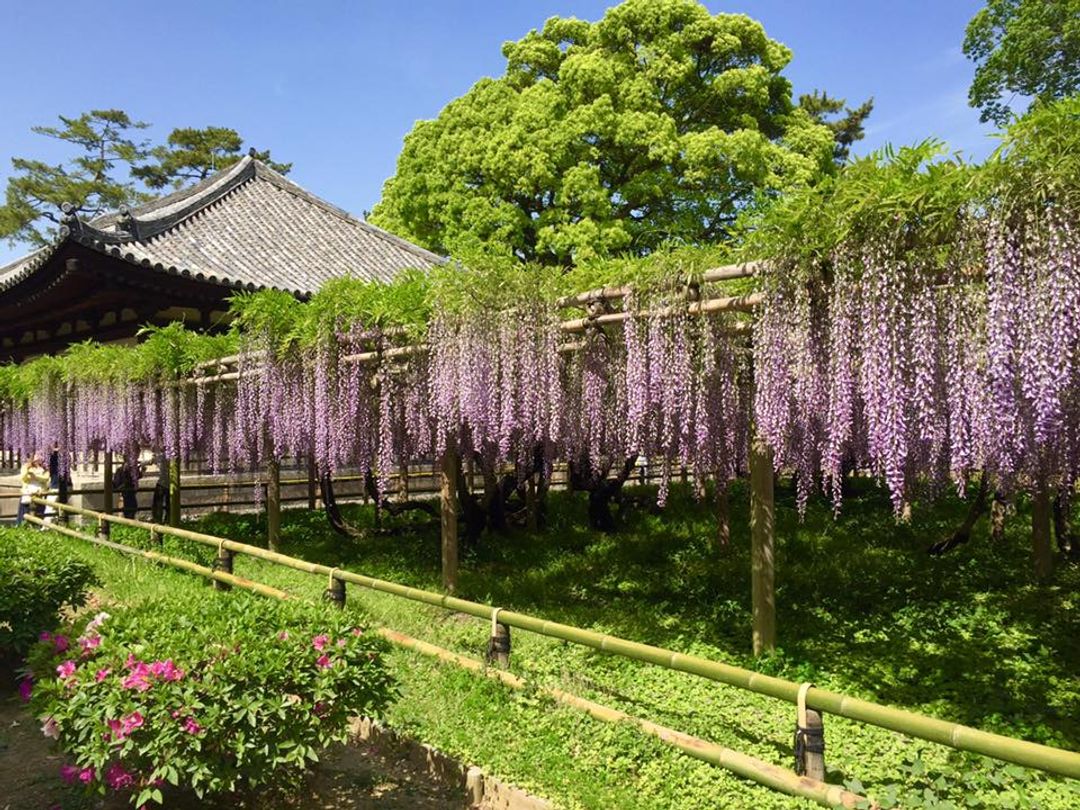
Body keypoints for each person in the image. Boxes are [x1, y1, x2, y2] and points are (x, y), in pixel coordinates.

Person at [16, 452, 49, 526]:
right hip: (28, 492)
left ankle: (38, 527)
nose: (39, 457)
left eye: (41, 455)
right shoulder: (26, 466)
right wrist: (28, 469)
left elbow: (46, 478)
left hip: (39, 492)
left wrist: (35, 477)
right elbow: (23, 478)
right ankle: (22, 526)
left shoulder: (44, 468)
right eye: (37, 455)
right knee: (25, 510)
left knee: (39, 511)